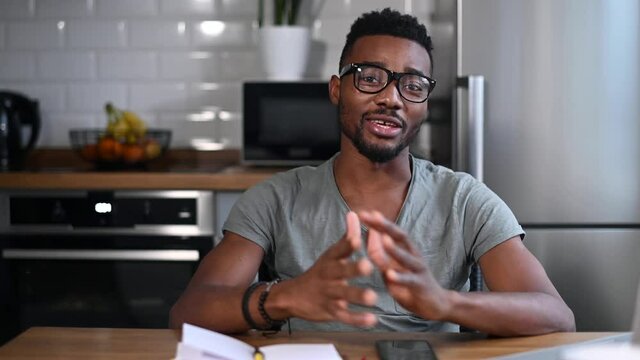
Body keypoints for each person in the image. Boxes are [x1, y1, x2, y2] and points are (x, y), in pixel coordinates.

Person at [170, 8, 575, 336]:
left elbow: (556, 316)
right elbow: (187, 313)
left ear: (425, 105)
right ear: (336, 89)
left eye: (412, 85)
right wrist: (285, 298)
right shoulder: (276, 198)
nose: (391, 98)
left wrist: (444, 302)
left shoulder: (465, 200)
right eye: (370, 78)